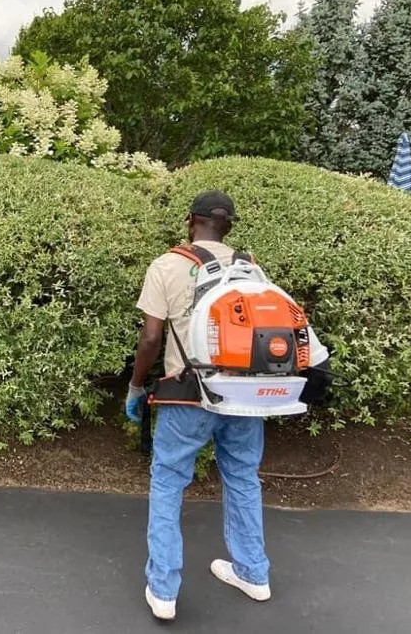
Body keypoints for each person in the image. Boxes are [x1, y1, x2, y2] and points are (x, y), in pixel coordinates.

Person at [126, 190, 272, 621]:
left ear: (191, 221)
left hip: (188, 395)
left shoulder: (168, 265)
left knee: (169, 481)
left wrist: (137, 387)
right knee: (244, 477)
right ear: (229, 227)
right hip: (245, 397)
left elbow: (152, 338)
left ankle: (164, 590)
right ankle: (254, 574)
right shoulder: (251, 269)